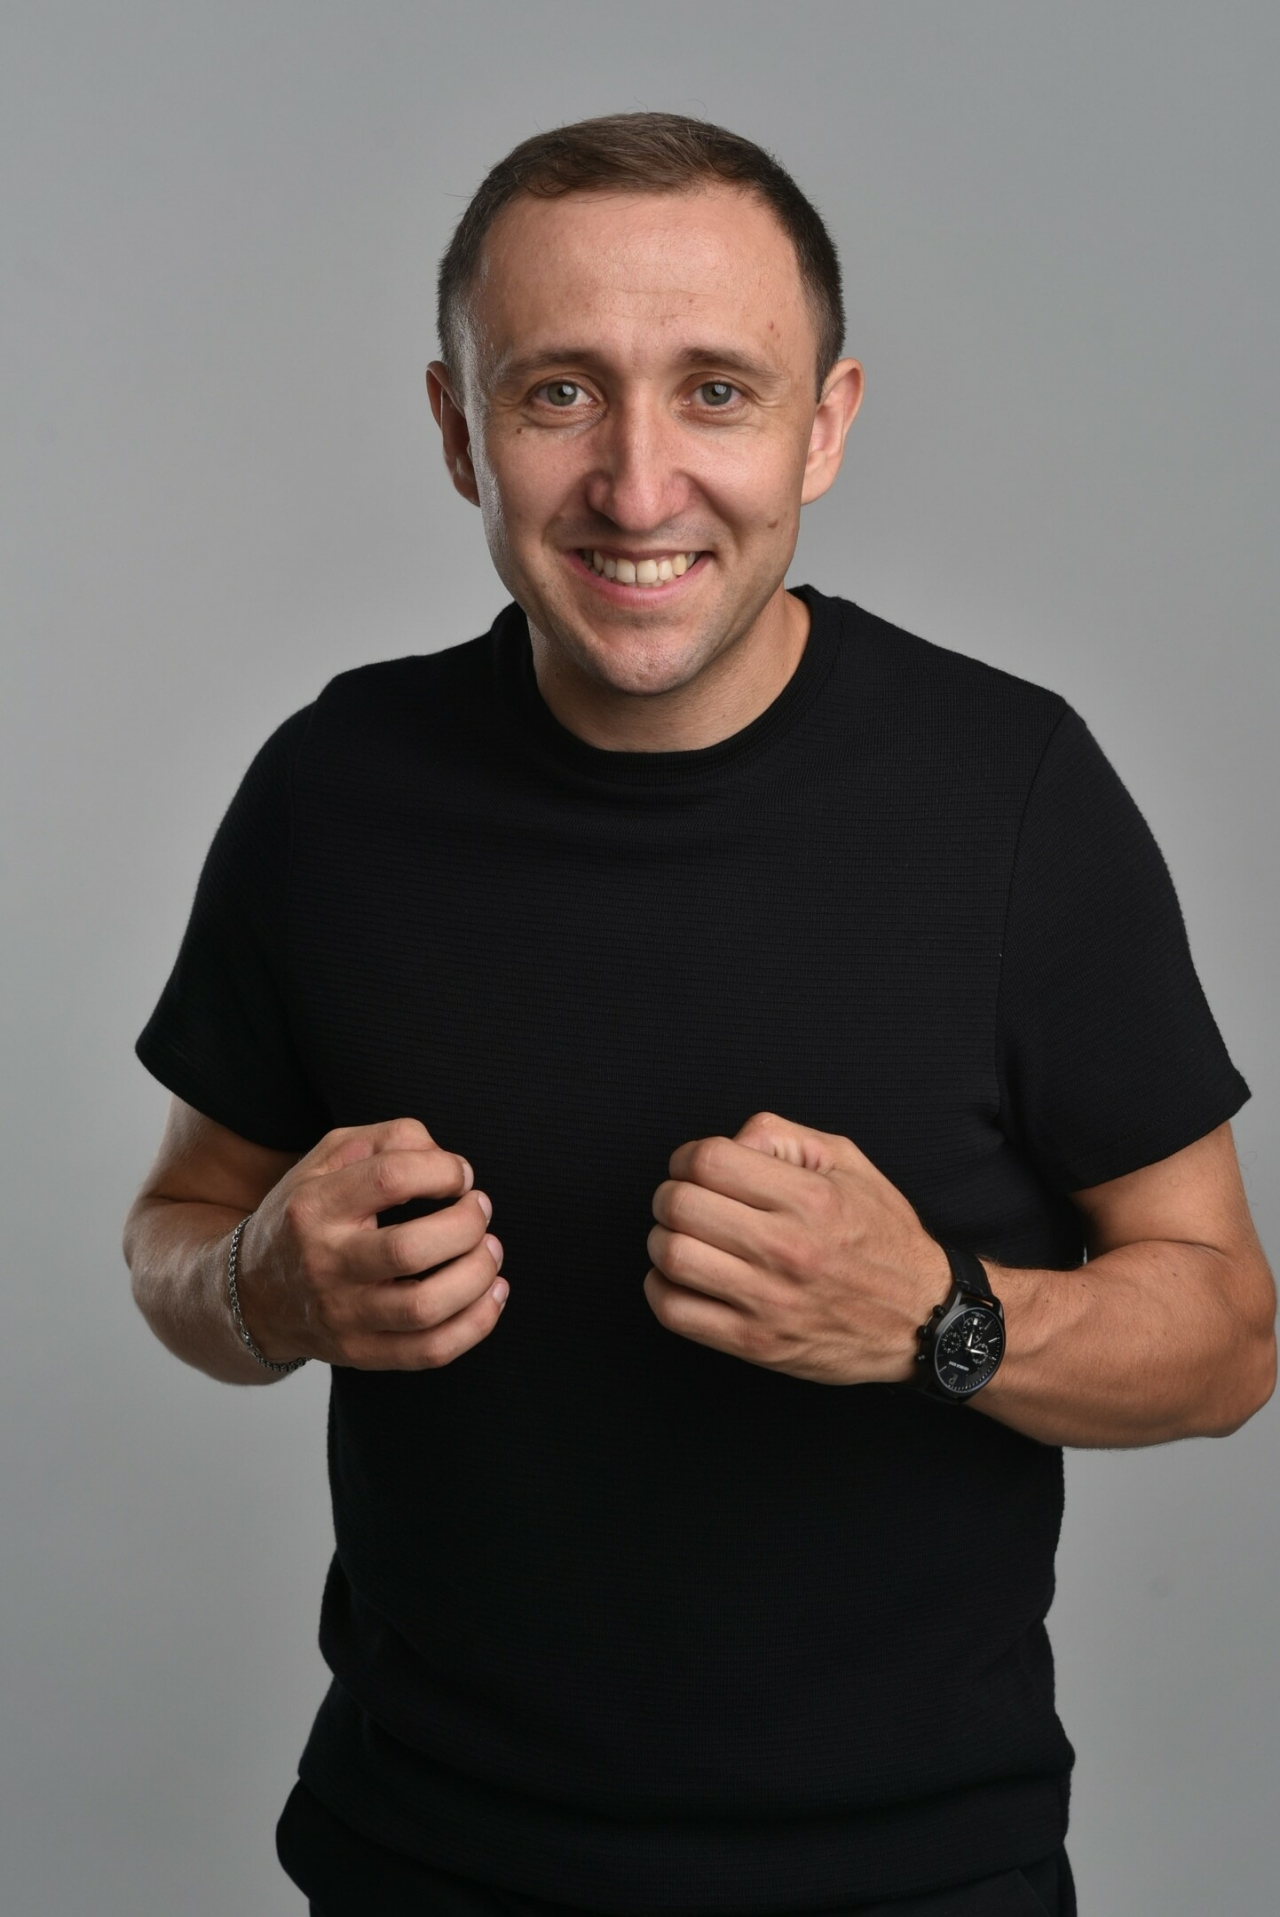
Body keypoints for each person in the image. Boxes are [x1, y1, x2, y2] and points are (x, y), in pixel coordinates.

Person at [122, 112, 1275, 1917]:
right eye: (559, 393)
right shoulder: (331, 788)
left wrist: (938, 1317)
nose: (639, 484)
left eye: (718, 393)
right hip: (420, 1864)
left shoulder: (1015, 795)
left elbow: (1229, 1334)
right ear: (457, 430)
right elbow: (177, 1228)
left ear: (826, 423)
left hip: (912, 1882)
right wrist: (264, 1285)